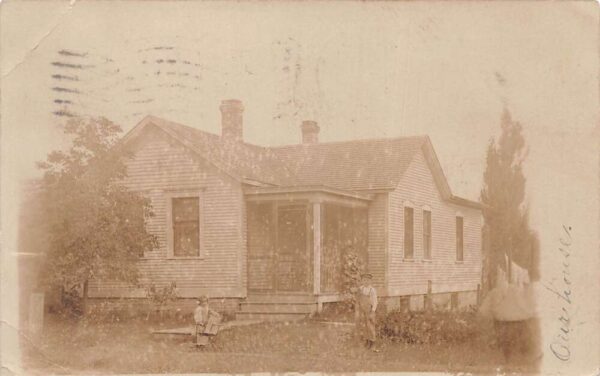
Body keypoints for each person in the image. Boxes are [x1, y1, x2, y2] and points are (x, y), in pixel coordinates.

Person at [354, 273, 379, 351]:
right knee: (364, 327)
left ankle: (373, 343)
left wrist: (373, 311)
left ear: (370, 281)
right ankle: (367, 342)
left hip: (369, 310)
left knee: (370, 327)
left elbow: (375, 302)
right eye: (364, 280)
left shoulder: (372, 290)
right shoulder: (361, 289)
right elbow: (358, 300)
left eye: (368, 280)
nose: (366, 282)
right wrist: (358, 310)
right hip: (362, 310)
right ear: (362, 281)